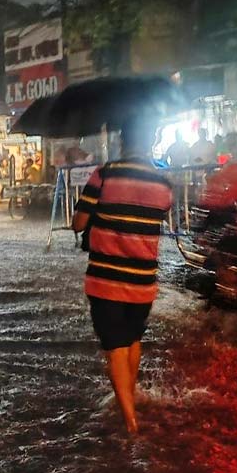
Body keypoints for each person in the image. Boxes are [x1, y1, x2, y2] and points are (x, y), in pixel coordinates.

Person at [72, 118, 173, 434]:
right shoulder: (163, 182)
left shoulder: (104, 175)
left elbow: (78, 223)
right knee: (131, 339)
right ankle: (128, 396)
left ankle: (130, 422)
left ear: (122, 140)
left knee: (115, 344)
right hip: (143, 280)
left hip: (107, 279)